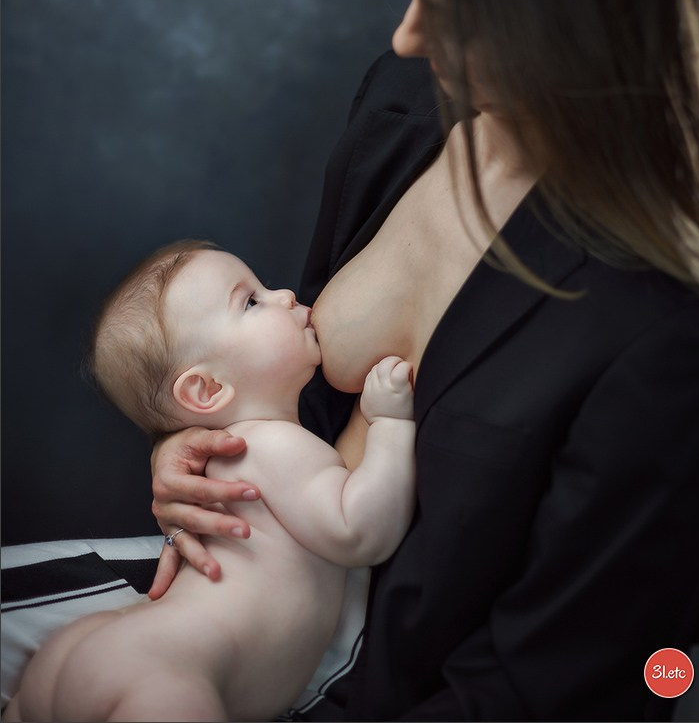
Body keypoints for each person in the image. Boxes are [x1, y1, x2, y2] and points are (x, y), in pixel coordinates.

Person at [150, 0, 699, 721]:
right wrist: (212, 458)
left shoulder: (668, 322)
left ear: (577, 32)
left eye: (447, 14)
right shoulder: (405, 109)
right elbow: (298, 397)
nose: (405, 37)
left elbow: (555, 681)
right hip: (252, 603)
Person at [4, 240, 416, 723]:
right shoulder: (278, 446)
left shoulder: (230, 457)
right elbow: (361, 532)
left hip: (93, 647)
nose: (284, 294)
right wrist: (391, 424)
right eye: (251, 301)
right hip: (168, 671)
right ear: (208, 389)